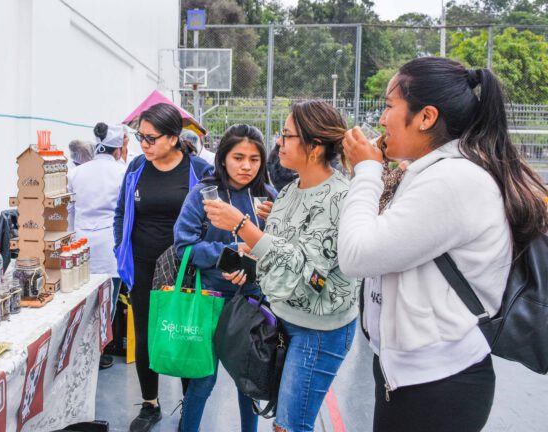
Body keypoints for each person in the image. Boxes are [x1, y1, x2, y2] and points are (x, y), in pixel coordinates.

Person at [339, 57, 548, 432]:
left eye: (389, 106)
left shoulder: (454, 180)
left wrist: (366, 171)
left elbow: (357, 254)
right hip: (412, 377)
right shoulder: (434, 173)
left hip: (435, 387)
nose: (381, 119)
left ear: (426, 117)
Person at [205, 100, 359, 432]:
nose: (278, 141)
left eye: (287, 135)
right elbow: (280, 253)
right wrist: (250, 262)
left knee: (291, 425)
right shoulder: (290, 191)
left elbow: (313, 277)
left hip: (317, 330)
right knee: (283, 423)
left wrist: (244, 227)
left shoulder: (340, 199)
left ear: (314, 147)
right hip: (284, 319)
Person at [113, 103, 213, 432]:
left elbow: (213, 219)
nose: (144, 144)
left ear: (173, 138)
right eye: (140, 136)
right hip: (142, 265)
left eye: (151, 138)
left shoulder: (197, 170)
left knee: (186, 333)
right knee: (145, 334)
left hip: (185, 268)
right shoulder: (137, 168)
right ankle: (150, 404)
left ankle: (191, 404)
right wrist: (120, 250)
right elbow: (121, 213)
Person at [174, 124, 276, 432]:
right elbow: (184, 247)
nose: (246, 166)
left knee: (251, 382)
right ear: (223, 158)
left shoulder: (269, 197)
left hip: (252, 305)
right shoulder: (204, 194)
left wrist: (273, 230)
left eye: (254, 159)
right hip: (210, 303)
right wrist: (229, 252)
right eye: (238, 157)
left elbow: (282, 252)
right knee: (203, 381)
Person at [67, 122, 127, 369]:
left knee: (79, 299)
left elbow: (69, 210)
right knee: (107, 303)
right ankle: (98, 352)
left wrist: (71, 238)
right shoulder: (123, 172)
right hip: (110, 246)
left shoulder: (77, 172)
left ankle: (76, 352)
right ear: (117, 149)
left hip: (79, 245)